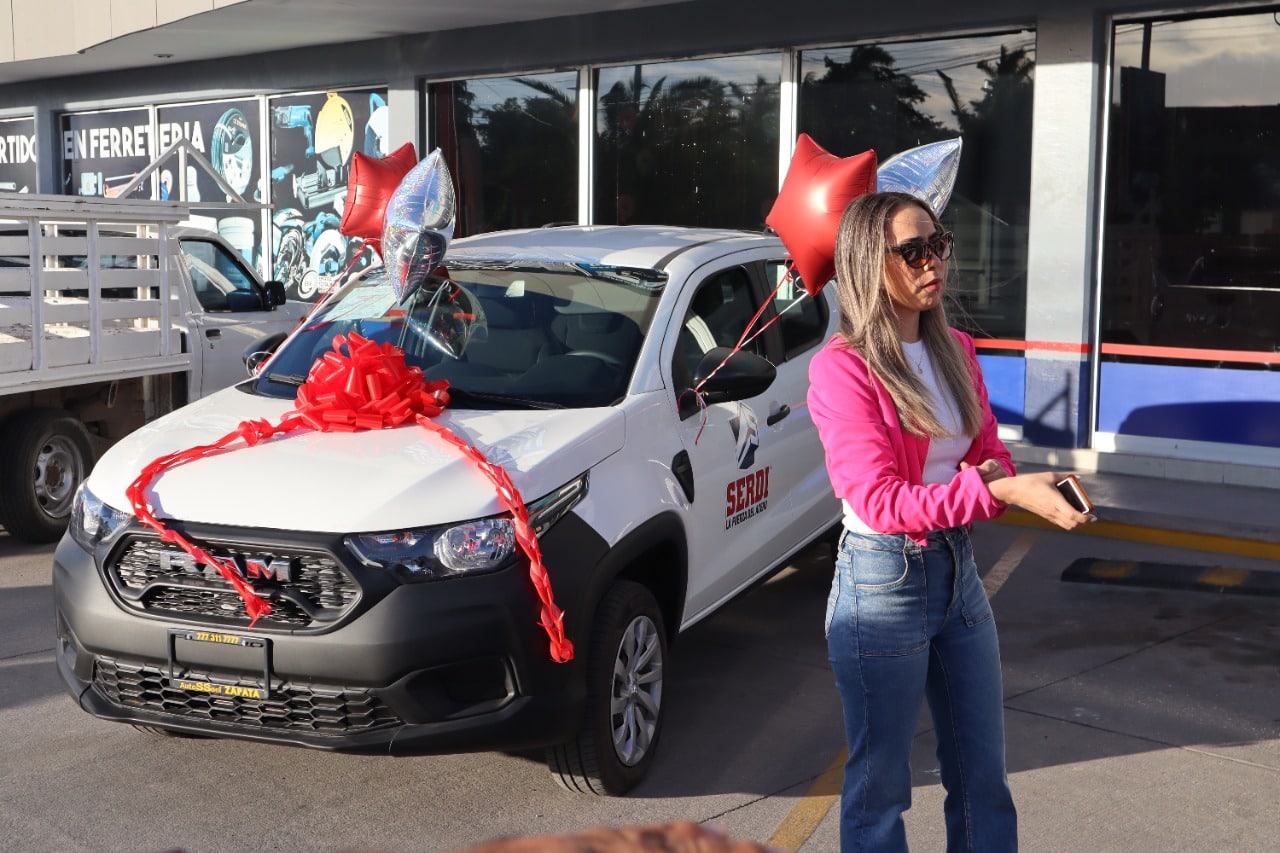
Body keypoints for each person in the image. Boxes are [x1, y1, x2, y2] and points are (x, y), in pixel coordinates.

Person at [806, 191, 1094, 852]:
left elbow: (987, 450)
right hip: (882, 579)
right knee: (881, 788)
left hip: (957, 571)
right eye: (913, 250)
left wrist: (1014, 479)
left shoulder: (956, 349)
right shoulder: (843, 370)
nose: (933, 261)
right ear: (866, 263)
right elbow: (881, 500)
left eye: (939, 245)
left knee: (982, 774)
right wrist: (1000, 491)